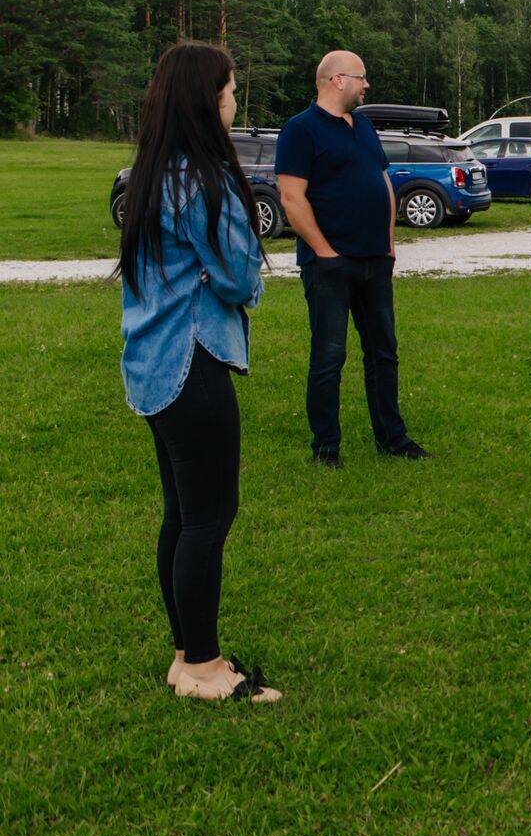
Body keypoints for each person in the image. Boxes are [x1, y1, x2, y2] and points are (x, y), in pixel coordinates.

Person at [118, 42, 280, 703]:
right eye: (231, 90)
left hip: (153, 367)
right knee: (209, 516)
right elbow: (243, 276)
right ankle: (207, 670)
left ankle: (186, 657)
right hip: (193, 364)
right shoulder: (203, 180)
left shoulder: (151, 173)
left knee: (182, 515)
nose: (236, 100)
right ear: (206, 100)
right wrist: (230, 277)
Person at [275, 51, 429, 466]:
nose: (367, 86)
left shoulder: (362, 126)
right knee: (329, 356)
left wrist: (389, 242)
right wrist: (325, 253)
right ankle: (325, 448)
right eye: (361, 78)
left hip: (375, 260)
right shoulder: (299, 130)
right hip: (329, 265)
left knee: (383, 353)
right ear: (336, 80)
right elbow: (291, 198)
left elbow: (381, 181)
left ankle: (392, 439)